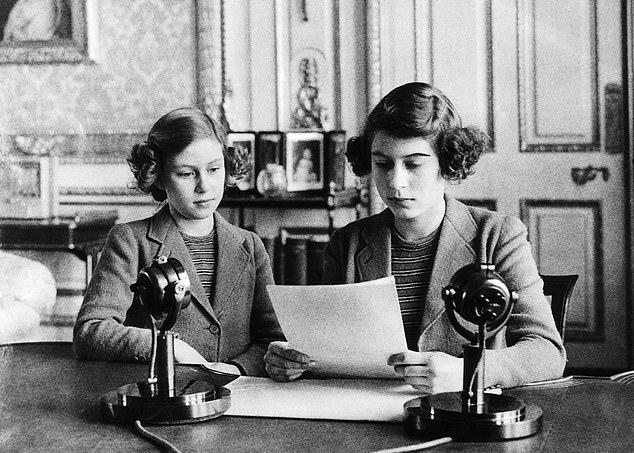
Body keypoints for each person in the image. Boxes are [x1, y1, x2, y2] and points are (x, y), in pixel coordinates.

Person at [264, 82, 566, 392]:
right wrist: (292, 361)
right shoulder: (348, 243)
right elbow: (325, 353)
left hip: (462, 418)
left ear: (448, 165)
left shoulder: (498, 236)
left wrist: (469, 371)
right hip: (366, 420)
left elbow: (547, 352)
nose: (396, 182)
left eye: (413, 164)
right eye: (382, 164)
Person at [74, 107, 284, 376]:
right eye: (187, 174)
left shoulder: (251, 246)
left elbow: (271, 341)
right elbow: (91, 330)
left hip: (237, 396)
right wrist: (166, 348)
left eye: (214, 169)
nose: (204, 186)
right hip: (160, 398)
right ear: (158, 176)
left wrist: (234, 369)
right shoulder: (130, 241)